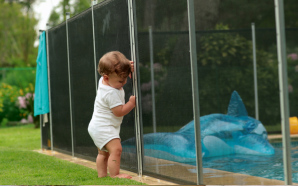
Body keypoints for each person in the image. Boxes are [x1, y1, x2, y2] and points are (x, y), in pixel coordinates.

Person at [88, 51, 135, 179]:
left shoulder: (104, 80)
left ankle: (102, 176)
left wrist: (127, 67)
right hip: (104, 127)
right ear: (107, 77)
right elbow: (119, 111)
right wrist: (131, 103)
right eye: (121, 80)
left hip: (97, 126)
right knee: (117, 149)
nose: (124, 82)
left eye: (125, 78)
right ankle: (115, 174)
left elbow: (114, 69)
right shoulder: (110, 93)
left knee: (103, 154)